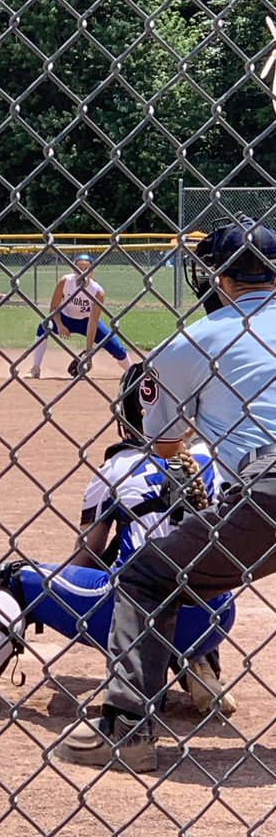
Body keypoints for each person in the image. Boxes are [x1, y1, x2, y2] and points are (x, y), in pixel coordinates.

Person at [0, 365, 236, 721]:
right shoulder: (215, 459)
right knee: (197, 564)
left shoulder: (117, 468)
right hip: (213, 619)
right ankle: (200, 669)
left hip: (129, 615)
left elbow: (87, 558)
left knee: (13, 579)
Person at [58, 217, 276, 773]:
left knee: (149, 577)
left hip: (265, 495)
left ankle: (126, 729)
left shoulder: (193, 340)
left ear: (221, 280)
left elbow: (162, 440)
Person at [29, 253, 132, 379]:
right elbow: (53, 308)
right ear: (73, 269)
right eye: (79, 268)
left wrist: (89, 352)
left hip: (86, 322)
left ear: (92, 271)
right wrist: (60, 325)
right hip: (65, 318)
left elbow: (93, 322)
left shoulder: (97, 291)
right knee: (44, 326)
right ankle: (35, 368)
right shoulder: (65, 281)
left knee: (117, 348)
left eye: (86, 268)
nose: (82, 272)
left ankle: (133, 373)